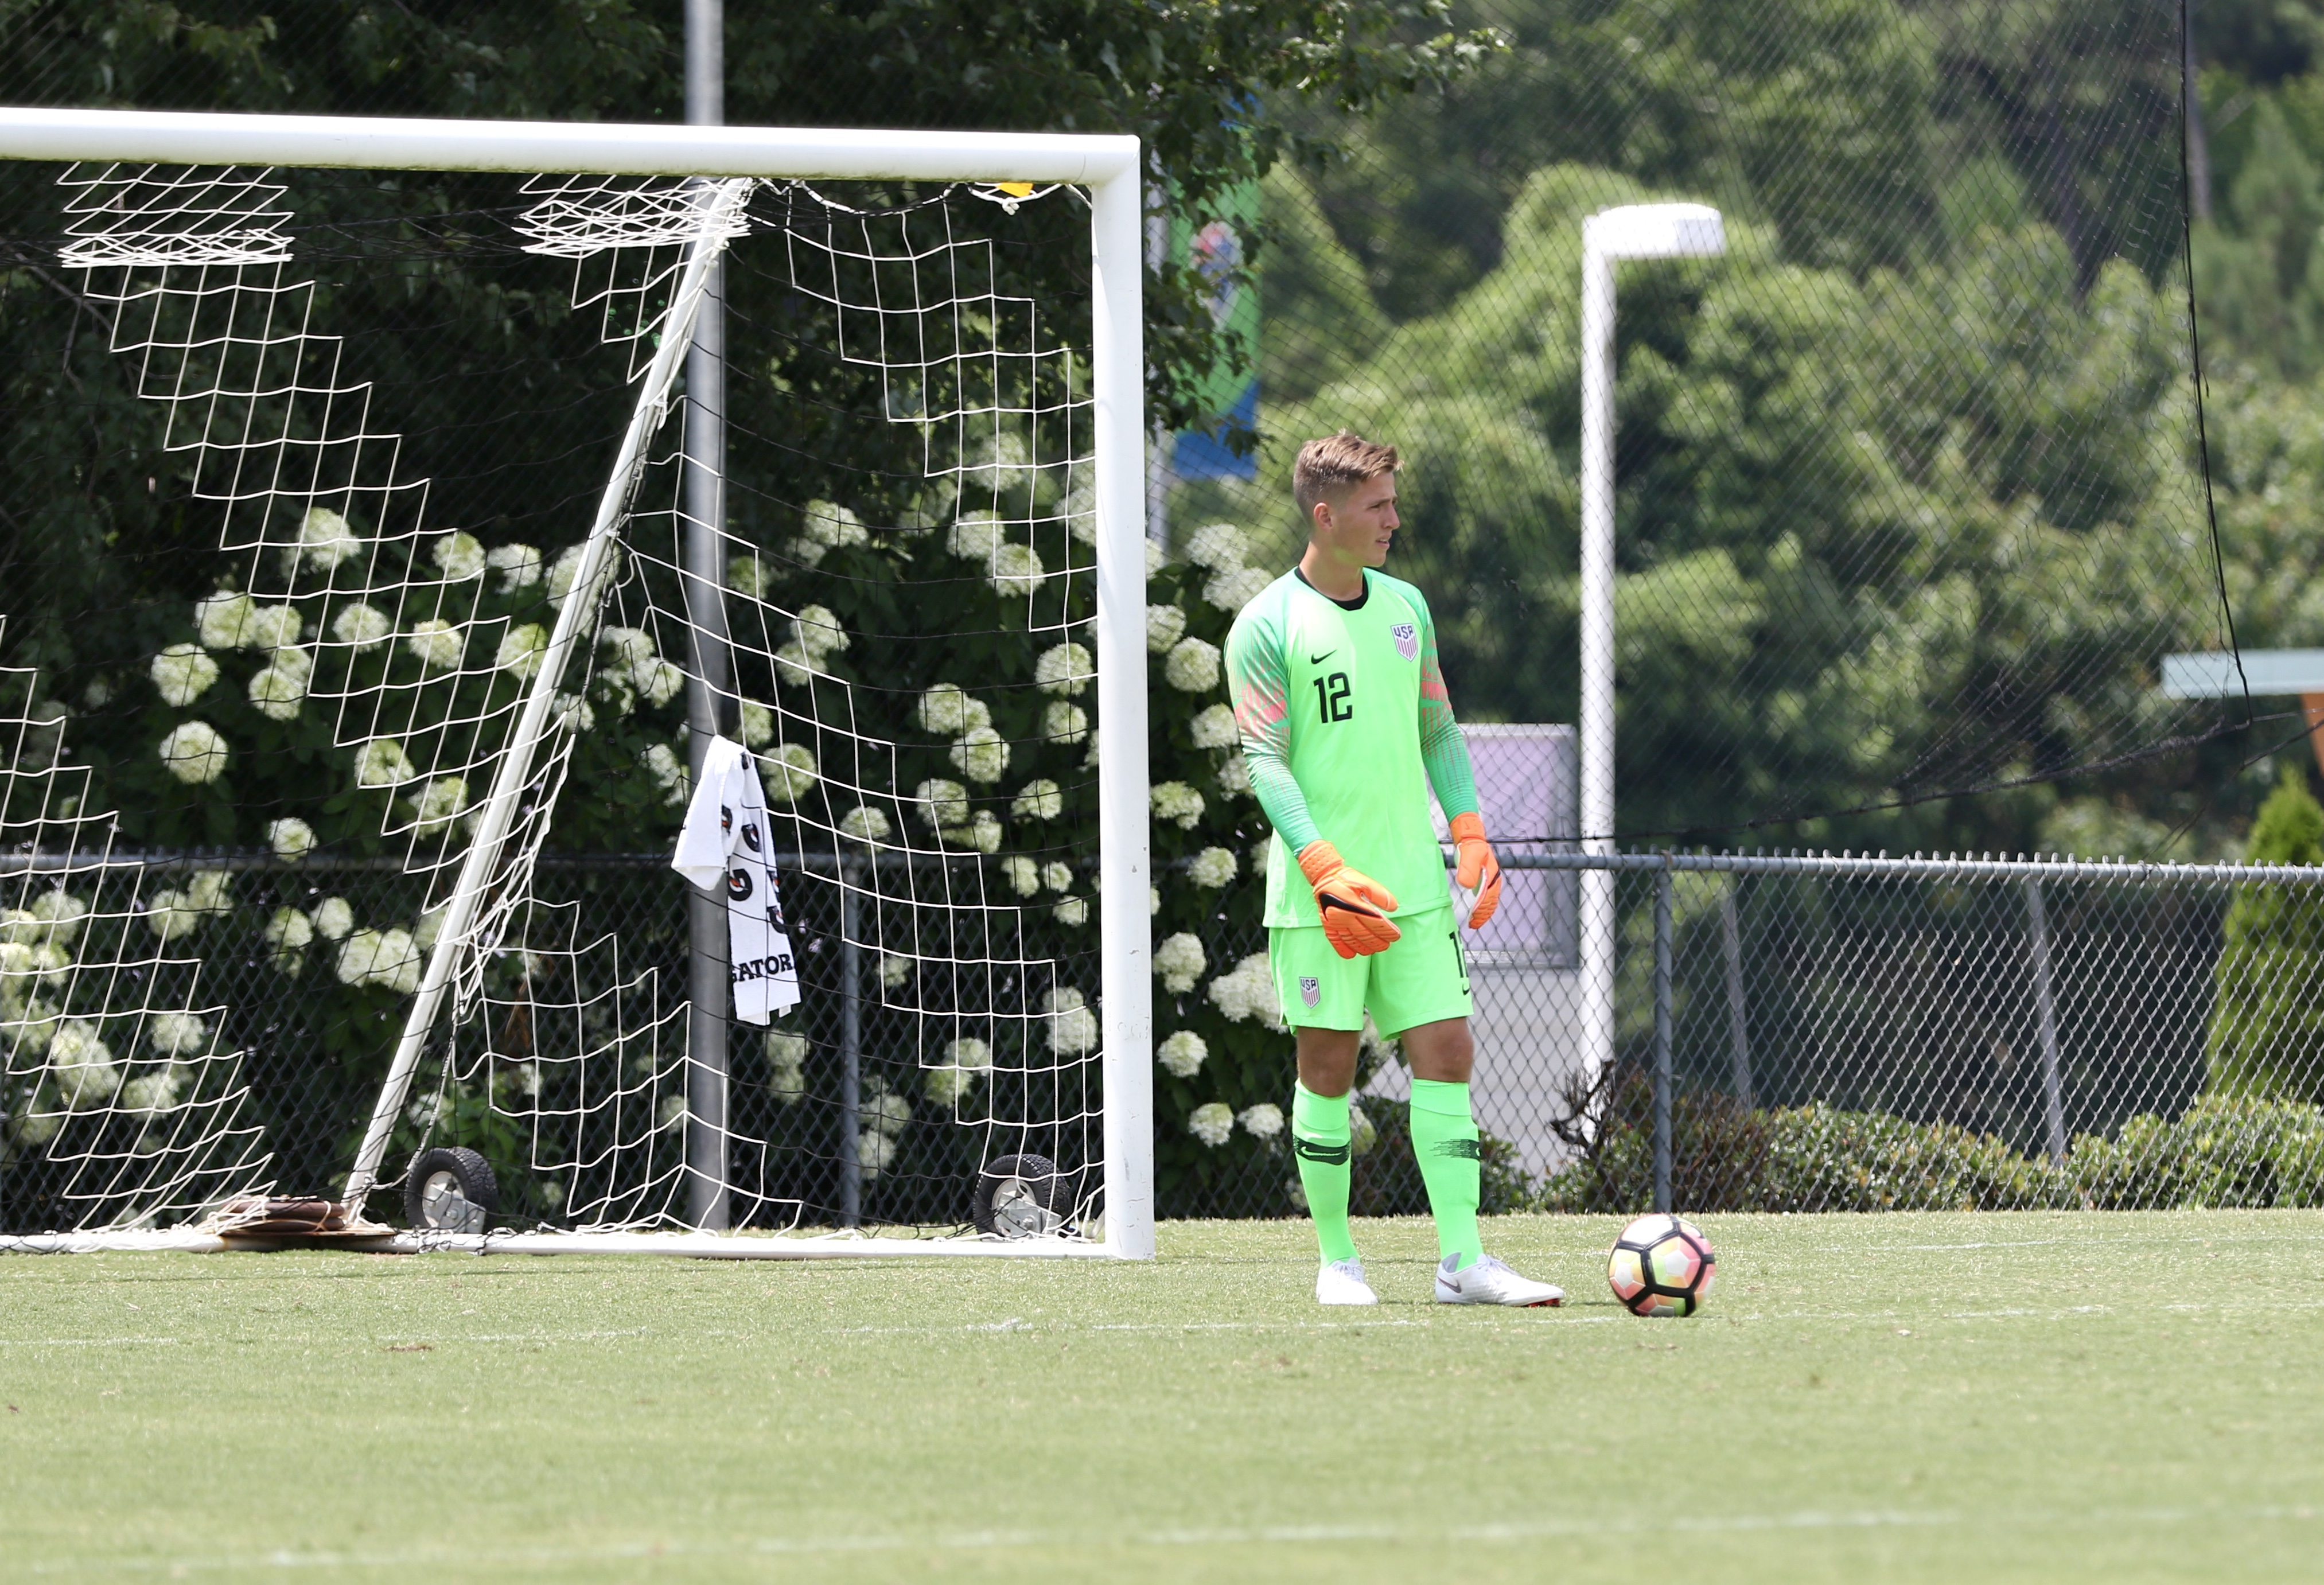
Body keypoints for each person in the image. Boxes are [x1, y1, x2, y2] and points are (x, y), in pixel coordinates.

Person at [1224, 431, 1564, 1307]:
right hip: (1319, 893)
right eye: (1378, 507)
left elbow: (1439, 730)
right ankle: (1338, 1262)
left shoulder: (1407, 606)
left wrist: (1473, 834)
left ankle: (1463, 1262)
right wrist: (1324, 865)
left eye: (1393, 504)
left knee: (1449, 1051)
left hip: (1412, 884)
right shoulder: (1266, 625)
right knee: (1327, 1069)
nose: (1394, 521)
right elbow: (1264, 759)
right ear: (1326, 514)